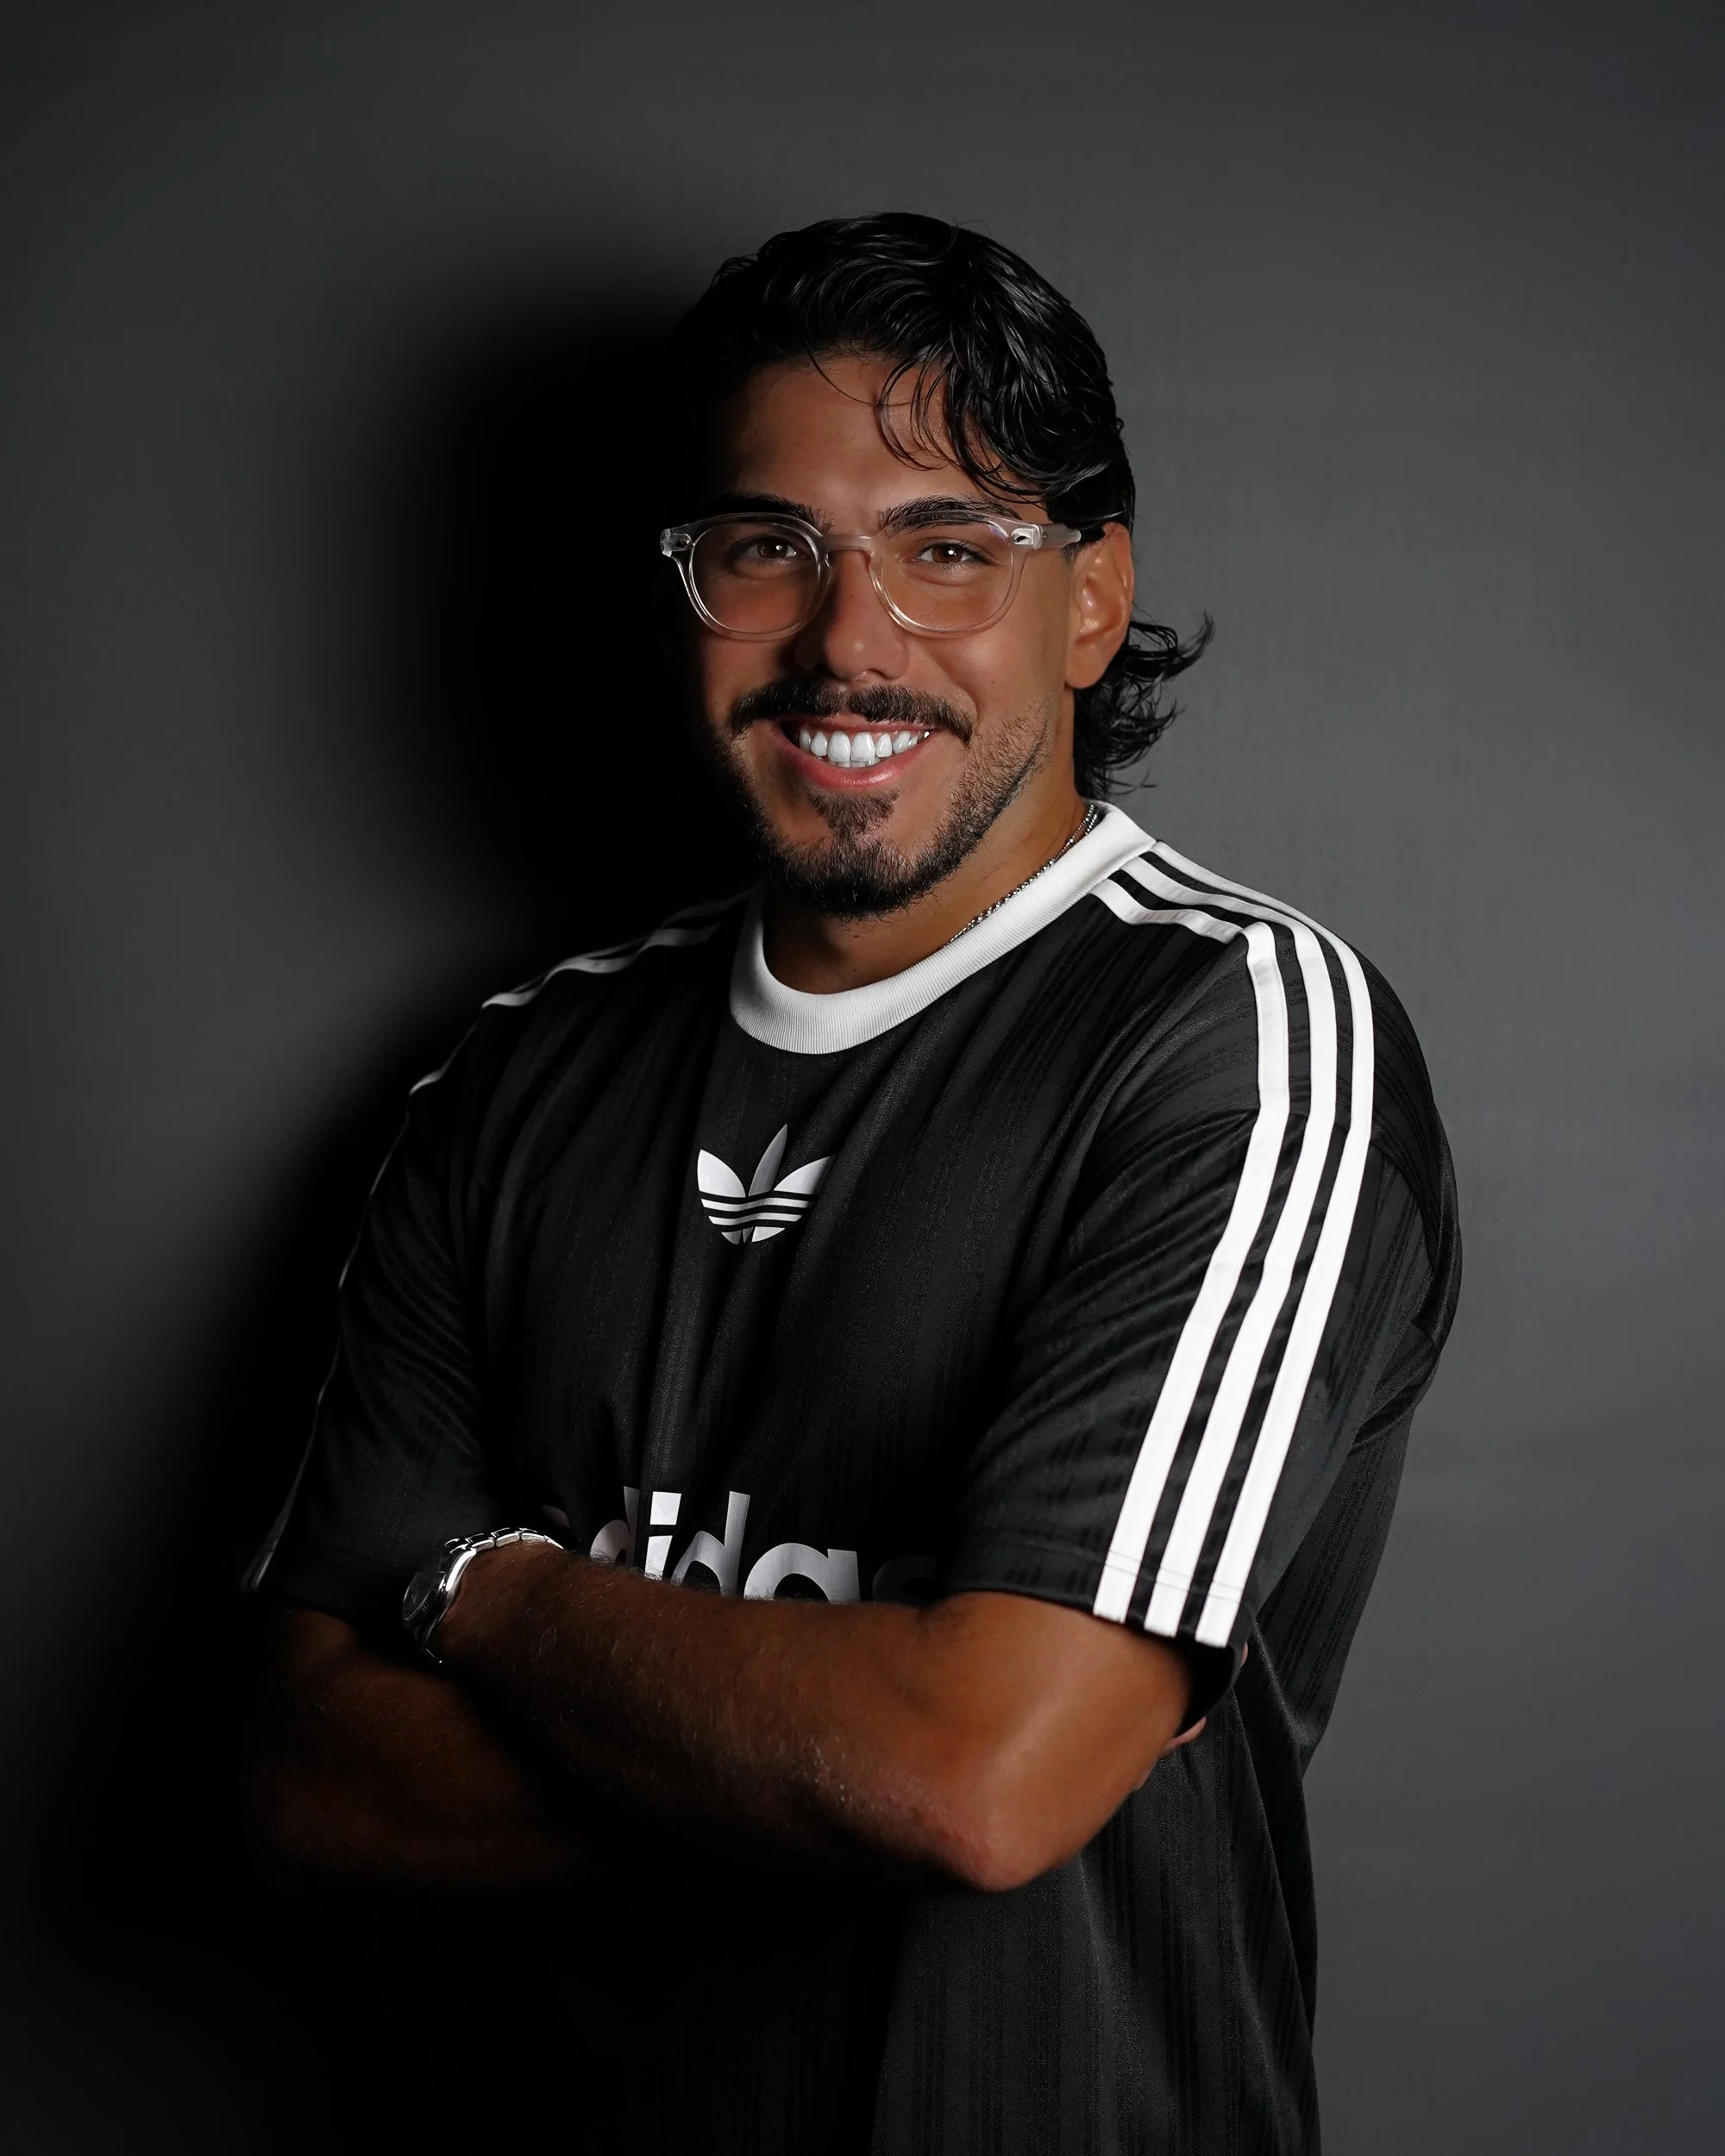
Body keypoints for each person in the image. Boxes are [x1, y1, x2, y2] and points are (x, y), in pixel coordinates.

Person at [248, 212, 1460, 2153]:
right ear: (686, 590)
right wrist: (839, 1734)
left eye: (946, 544)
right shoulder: (519, 1072)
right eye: (764, 546)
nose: (847, 635)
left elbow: (979, 1776)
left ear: (1087, 600)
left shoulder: (1231, 1031)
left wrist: (485, 1597)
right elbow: (314, 1765)